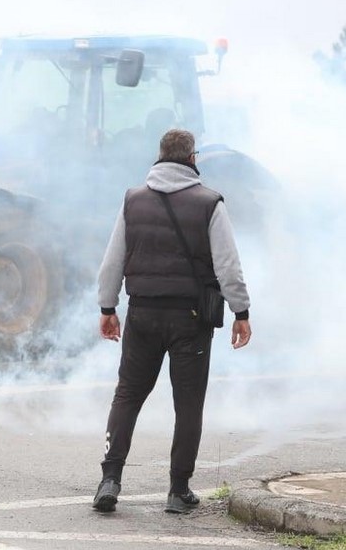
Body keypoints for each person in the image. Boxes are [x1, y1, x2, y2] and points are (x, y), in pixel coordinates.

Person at [92, 128, 252, 515]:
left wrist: (107, 309)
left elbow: (112, 261)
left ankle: (109, 480)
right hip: (190, 318)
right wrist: (241, 312)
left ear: (159, 156)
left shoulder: (133, 201)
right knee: (188, 403)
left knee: (128, 394)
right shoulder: (210, 203)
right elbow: (228, 265)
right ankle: (178, 490)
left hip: (142, 313)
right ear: (192, 158)